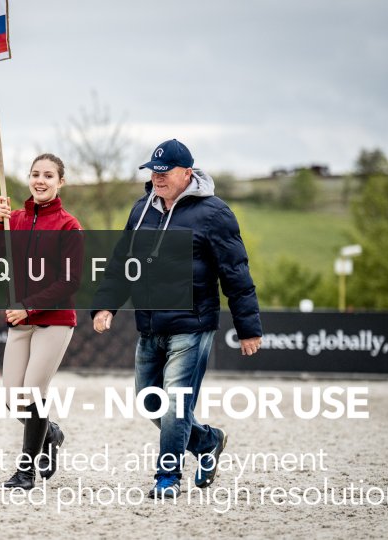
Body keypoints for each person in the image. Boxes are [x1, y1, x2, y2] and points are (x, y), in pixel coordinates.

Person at [91, 139, 263, 499]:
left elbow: (236, 273)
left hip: (192, 324)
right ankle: (207, 440)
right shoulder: (141, 210)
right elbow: (123, 263)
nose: (157, 177)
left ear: (187, 173)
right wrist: (106, 305)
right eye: (153, 171)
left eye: (165, 172)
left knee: (175, 403)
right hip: (149, 324)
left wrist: (248, 327)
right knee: (149, 400)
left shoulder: (214, 214)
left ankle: (167, 477)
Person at [0, 153, 83, 490]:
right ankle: (50, 433)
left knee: (33, 392)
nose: (40, 180)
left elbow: (70, 281)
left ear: (60, 182)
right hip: (20, 321)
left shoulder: (69, 225)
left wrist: (29, 307)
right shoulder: (16, 219)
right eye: (35, 174)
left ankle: (26, 472)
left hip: (54, 320)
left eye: (49, 175)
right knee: (14, 400)